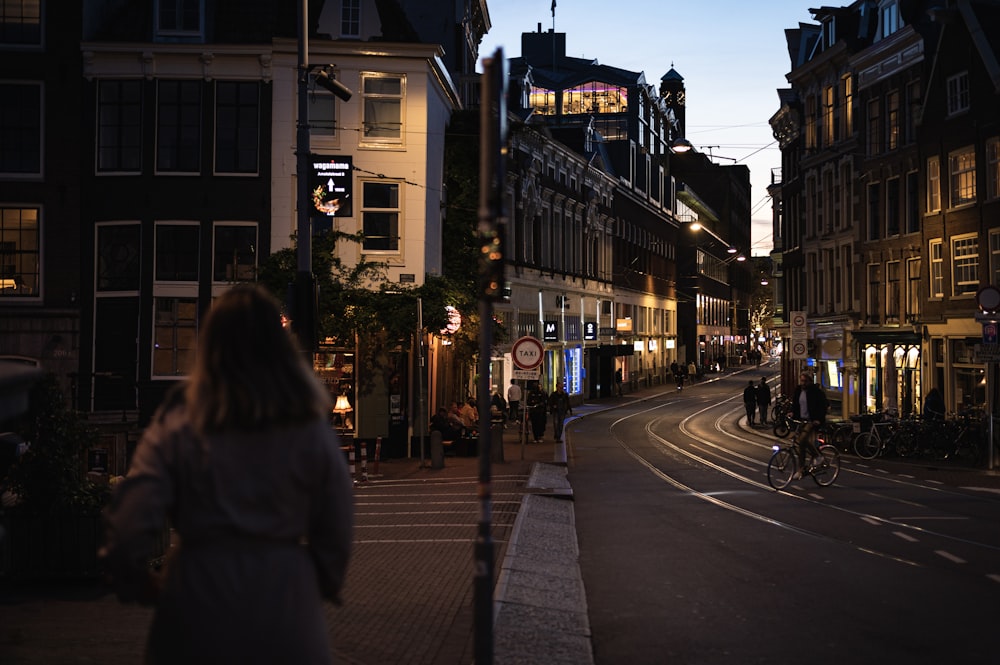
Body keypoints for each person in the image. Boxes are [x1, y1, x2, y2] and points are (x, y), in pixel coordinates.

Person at [100, 285, 353, 665]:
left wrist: (137, 582)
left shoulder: (181, 422)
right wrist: (317, 579)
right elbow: (337, 520)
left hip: (198, 599)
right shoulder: (308, 426)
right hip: (285, 604)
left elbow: (133, 513)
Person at [791, 372, 829, 479]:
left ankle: (818, 455)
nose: (803, 383)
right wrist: (792, 412)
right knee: (800, 445)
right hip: (802, 420)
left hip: (812, 420)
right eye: (801, 381)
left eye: (805, 381)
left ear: (809, 381)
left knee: (802, 440)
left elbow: (822, 406)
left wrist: (818, 419)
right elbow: (796, 404)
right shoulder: (798, 391)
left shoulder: (816, 392)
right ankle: (801, 469)